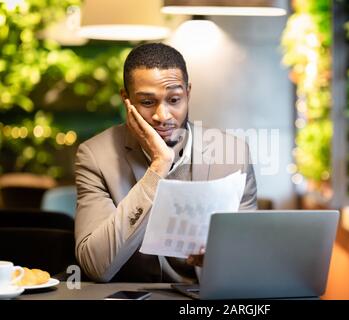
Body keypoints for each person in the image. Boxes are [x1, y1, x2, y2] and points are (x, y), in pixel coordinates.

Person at [74, 43, 257, 283]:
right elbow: (95, 266)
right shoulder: (94, 156)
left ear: (188, 94)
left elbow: (247, 258)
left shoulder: (234, 154)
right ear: (126, 100)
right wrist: (158, 166)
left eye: (174, 99)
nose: (163, 116)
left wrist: (222, 259)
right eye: (148, 103)